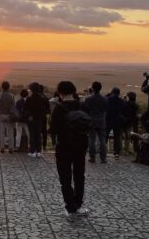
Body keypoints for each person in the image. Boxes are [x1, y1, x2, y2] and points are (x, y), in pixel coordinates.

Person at [50, 81, 89, 221]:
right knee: (79, 175)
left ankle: (70, 207)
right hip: (81, 145)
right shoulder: (82, 105)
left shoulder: (59, 108)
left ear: (60, 92)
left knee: (65, 178)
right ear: (74, 90)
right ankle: (78, 205)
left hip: (64, 147)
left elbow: (53, 130)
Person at [83, 81, 108, 163]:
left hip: (91, 120)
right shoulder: (104, 99)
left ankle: (92, 157)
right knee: (102, 140)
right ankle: (103, 158)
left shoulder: (88, 99)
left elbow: (85, 110)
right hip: (101, 120)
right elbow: (105, 109)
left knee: (91, 139)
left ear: (92, 88)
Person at [25, 82, 47, 158]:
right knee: (38, 135)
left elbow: (26, 109)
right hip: (39, 119)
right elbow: (44, 110)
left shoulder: (29, 98)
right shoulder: (42, 98)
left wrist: (29, 116)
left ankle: (32, 151)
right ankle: (39, 151)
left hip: (31, 119)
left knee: (32, 135)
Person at [0, 81, 15, 153]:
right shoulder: (12, 95)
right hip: (9, 115)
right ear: (8, 87)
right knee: (10, 132)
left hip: (1, 115)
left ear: (2, 87)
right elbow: (13, 106)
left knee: (1, 132)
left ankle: (2, 148)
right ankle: (11, 148)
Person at [106, 87, 124, 159]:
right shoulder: (121, 101)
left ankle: (103, 150)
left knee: (105, 135)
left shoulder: (108, 99)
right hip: (117, 120)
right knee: (117, 137)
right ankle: (116, 152)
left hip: (108, 119)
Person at [39, 84, 51, 151]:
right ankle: (44, 146)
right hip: (44, 117)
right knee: (44, 132)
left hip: (37, 117)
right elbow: (48, 110)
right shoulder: (45, 98)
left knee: (37, 132)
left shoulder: (36, 97)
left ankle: (38, 146)